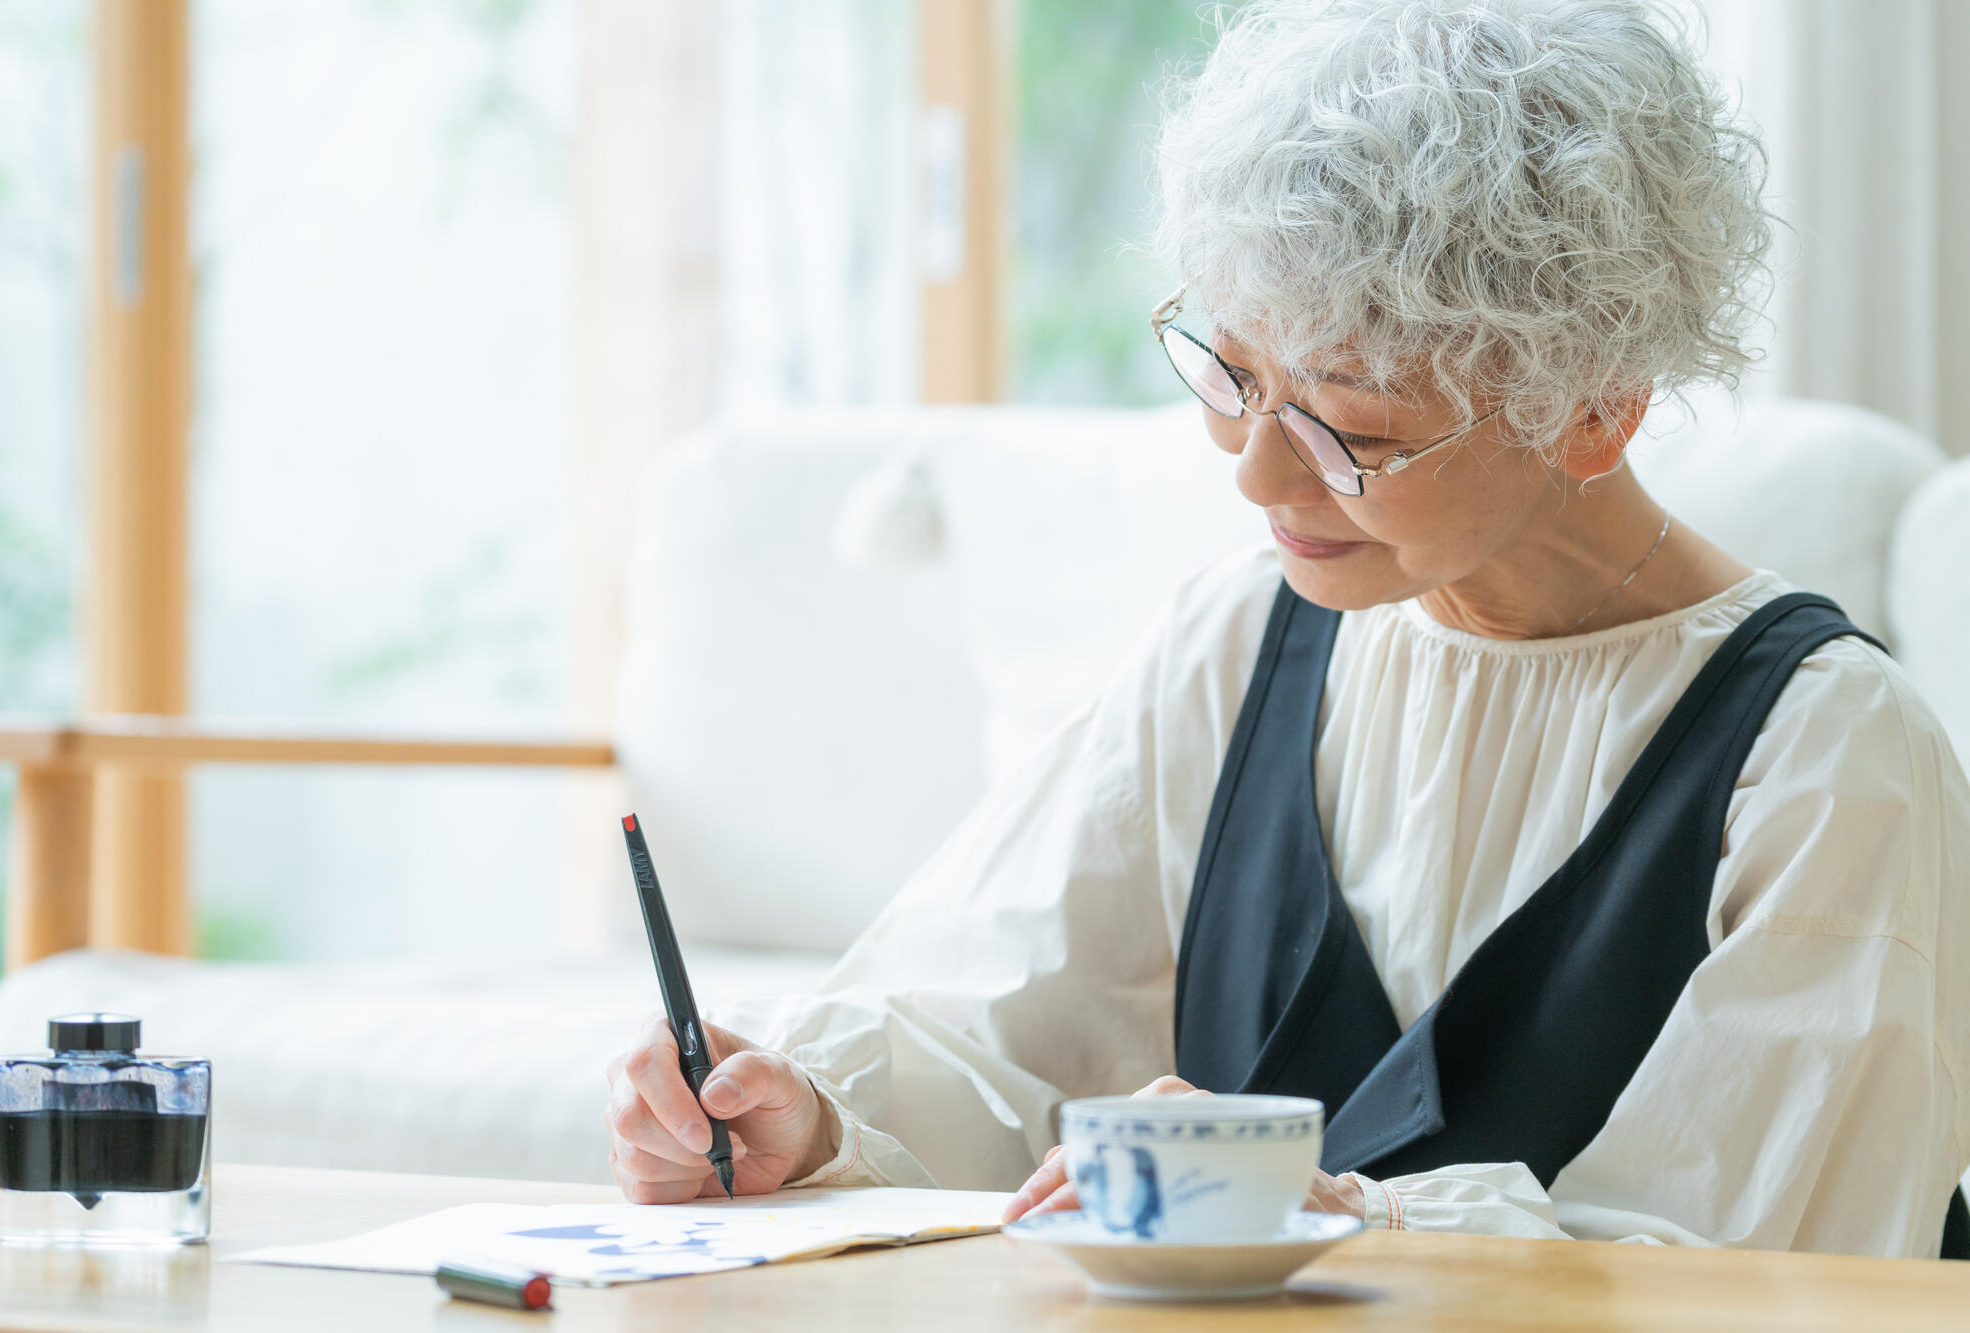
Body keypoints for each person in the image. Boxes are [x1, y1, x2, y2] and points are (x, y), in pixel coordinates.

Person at [605, 0, 1970, 1256]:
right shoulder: (1241, 640)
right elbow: (990, 1017)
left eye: (1349, 426)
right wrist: (808, 1117)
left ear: (1595, 406)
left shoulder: (1828, 760)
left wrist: (1358, 1220)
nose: (1255, 476)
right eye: (1236, 378)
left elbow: (1776, 1256)